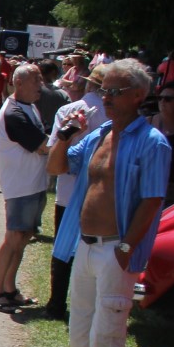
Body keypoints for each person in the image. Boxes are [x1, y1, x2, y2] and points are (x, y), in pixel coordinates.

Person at [44, 59, 170, 347]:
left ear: (138, 95)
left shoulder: (152, 143)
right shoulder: (99, 133)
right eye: (103, 90)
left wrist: (128, 246)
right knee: (82, 329)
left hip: (115, 250)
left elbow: (152, 201)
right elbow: (57, 166)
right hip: (84, 245)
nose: (106, 98)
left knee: (109, 335)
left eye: (115, 91)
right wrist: (64, 136)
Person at [42, 68, 109, 319]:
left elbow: (52, 150)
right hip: (98, 192)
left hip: (69, 190)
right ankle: (89, 306)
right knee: (94, 248)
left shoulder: (68, 110)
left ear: (89, 84)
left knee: (62, 249)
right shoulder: (115, 116)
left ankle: (56, 303)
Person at [0, 64, 52, 311]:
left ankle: (9, 288)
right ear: (19, 83)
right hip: (20, 186)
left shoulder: (29, 107)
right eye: (36, 80)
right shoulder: (14, 113)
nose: (41, 85)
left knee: (23, 237)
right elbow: (43, 145)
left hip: (33, 184)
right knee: (14, 237)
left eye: (41, 80)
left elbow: (45, 136)